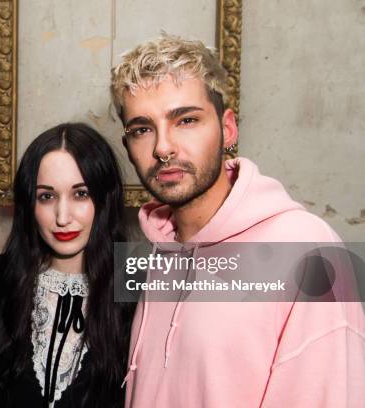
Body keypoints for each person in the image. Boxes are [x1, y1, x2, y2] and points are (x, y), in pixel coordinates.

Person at [110, 33, 365, 407]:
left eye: (186, 120)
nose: (163, 147)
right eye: (143, 129)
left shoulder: (309, 251)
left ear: (228, 129)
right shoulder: (161, 250)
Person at [0, 123, 134, 407]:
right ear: (30, 204)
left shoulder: (138, 282)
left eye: (80, 194)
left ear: (104, 200)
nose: (63, 217)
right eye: (47, 196)